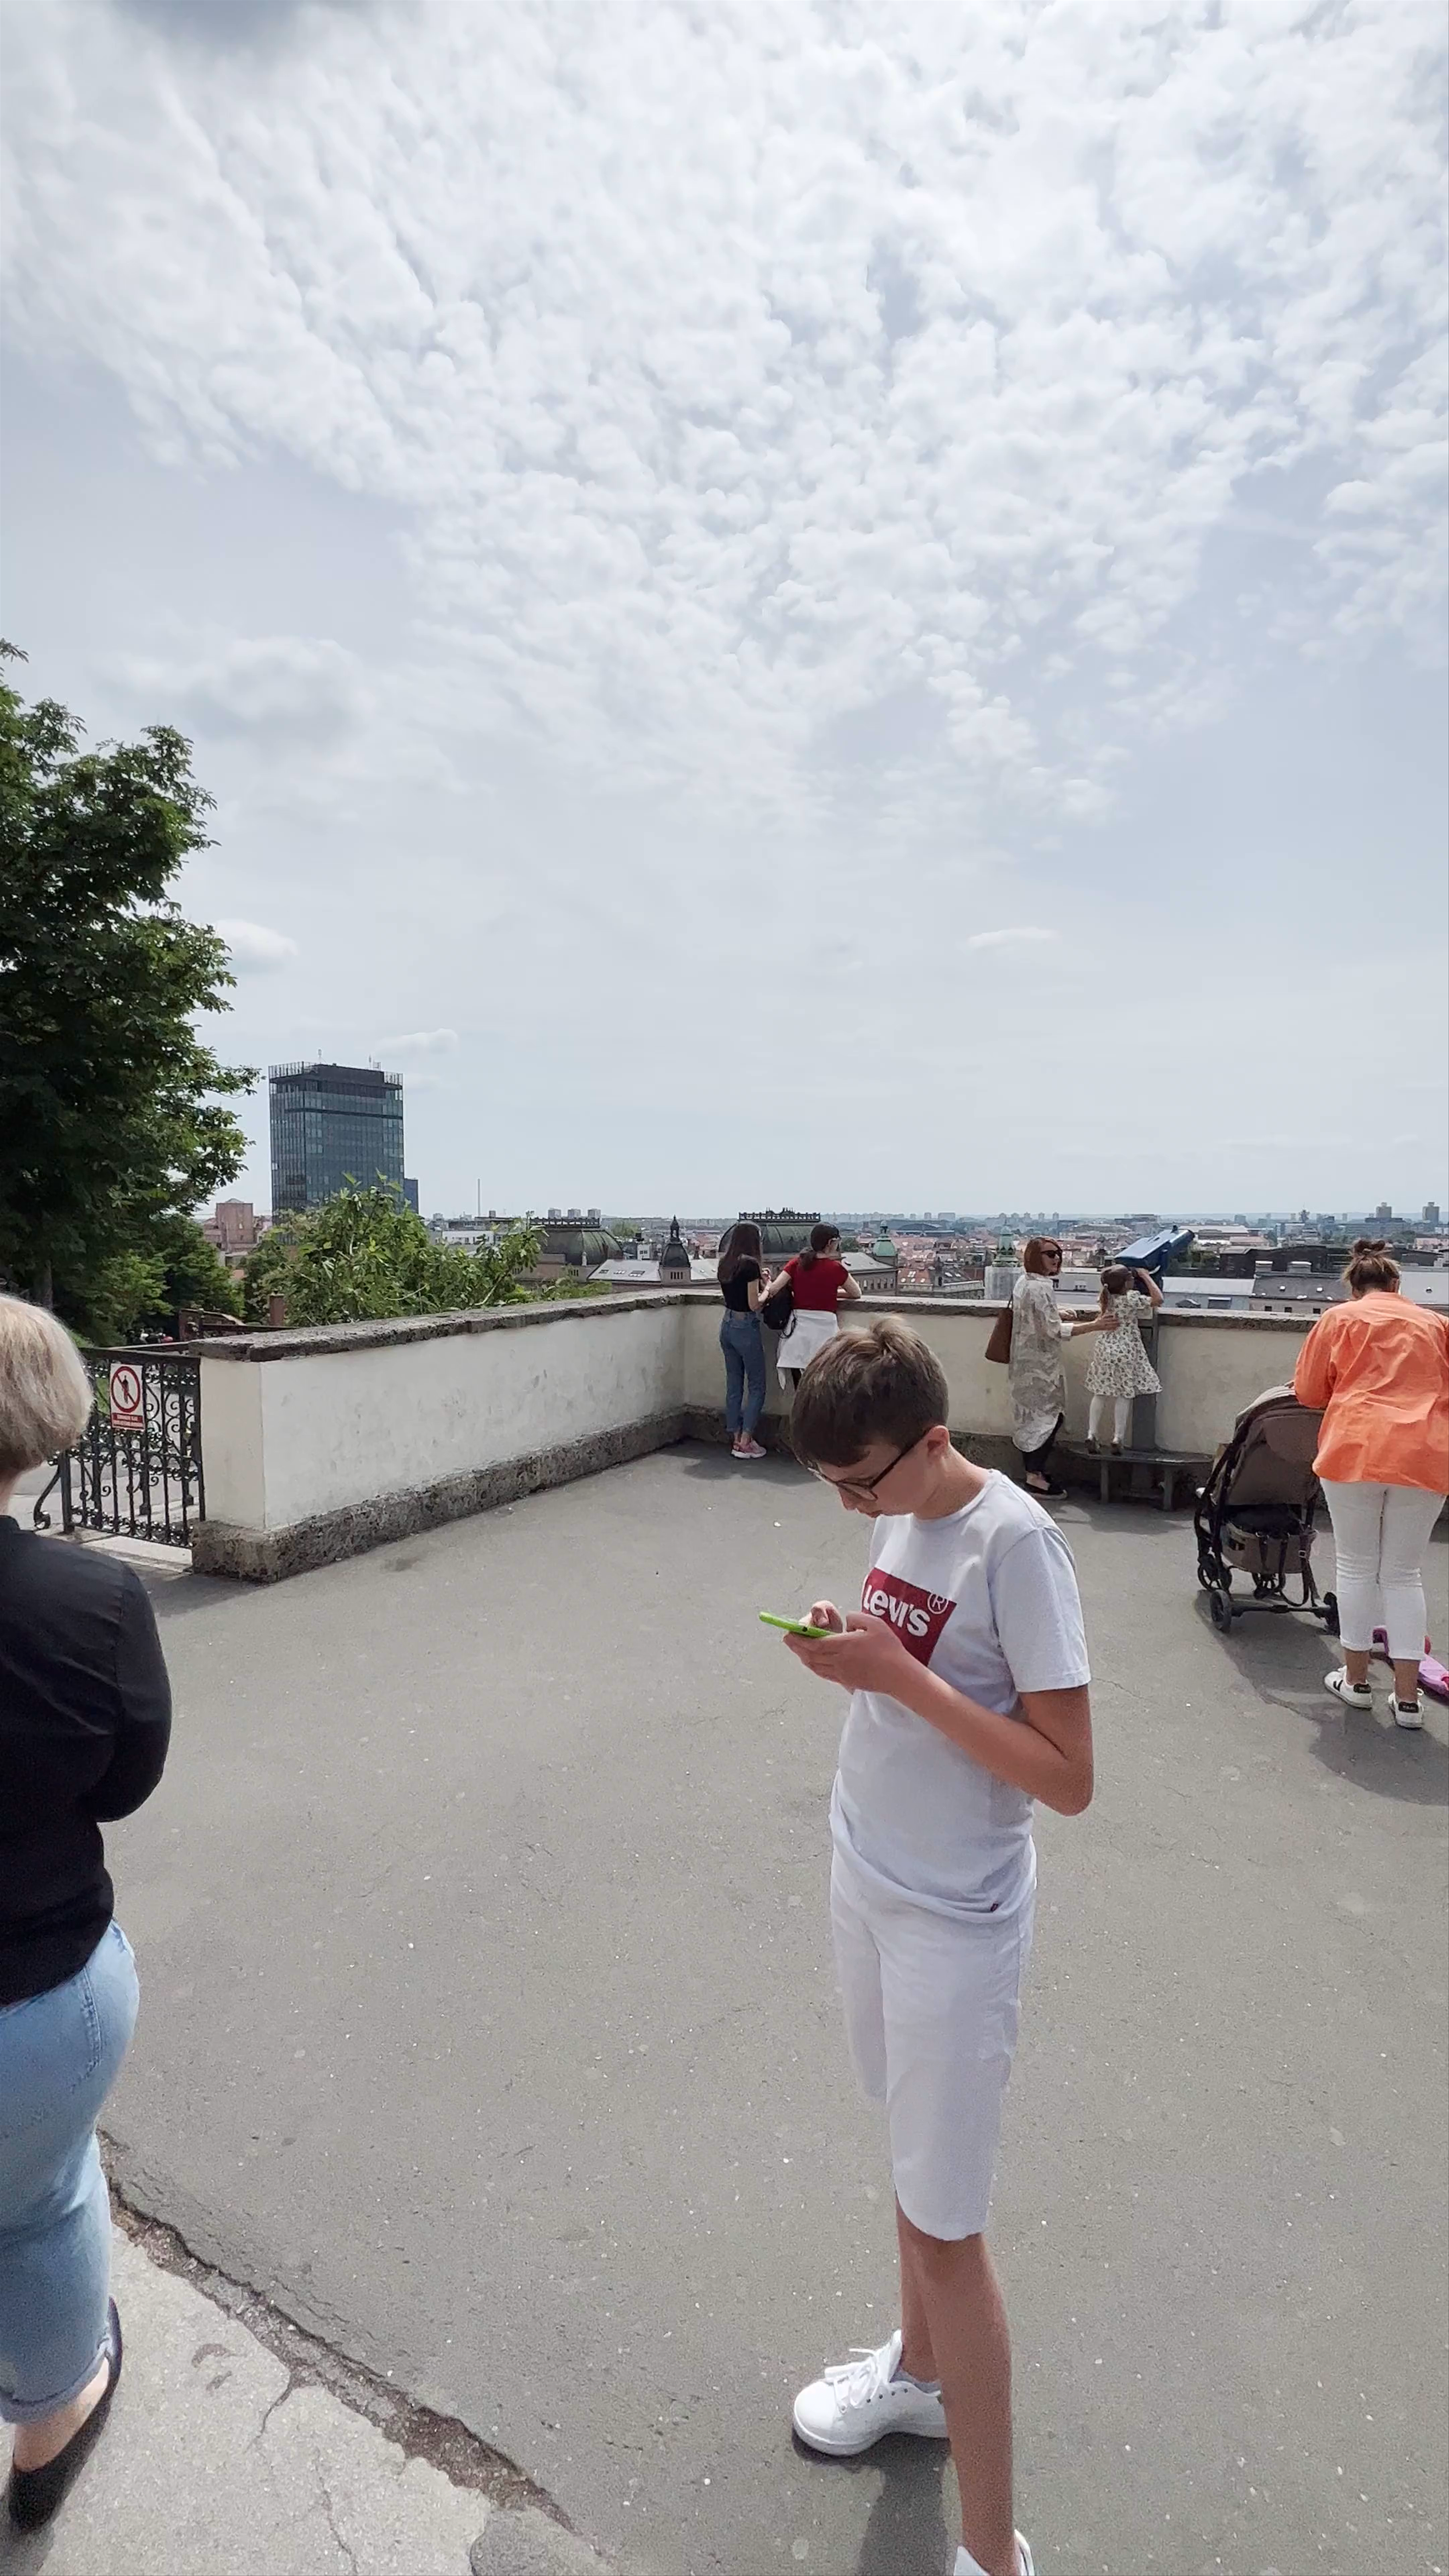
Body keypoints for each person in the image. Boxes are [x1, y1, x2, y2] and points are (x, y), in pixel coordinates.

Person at [777, 1318, 1095, 2576]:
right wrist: (846, 1652)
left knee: (950, 2223)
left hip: (956, 1912)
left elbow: (1069, 1777)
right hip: (870, 1865)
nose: (853, 1505)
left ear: (934, 1439)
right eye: (834, 1488)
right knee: (913, 2170)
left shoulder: (1017, 1541)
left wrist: (894, 1678)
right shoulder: (895, 1511)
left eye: (862, 1481)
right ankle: (914, 2373)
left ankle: (991, 2553)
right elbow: (906, 1652)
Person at [0, 1297, 172, 2531]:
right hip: (34, 1985)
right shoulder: (92, 1601)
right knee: (42, 2193)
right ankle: (48, 2419)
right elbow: (123, 1779)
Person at [1293, 1239, 1449, 1728]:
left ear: (1354, 1286)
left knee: (1357, 1565)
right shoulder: (1437, 1324)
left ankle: (1356, 1681)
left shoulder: (1338, 1320)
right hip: (1425, 1453)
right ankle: (1408, 1701)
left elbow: (1309, 1391)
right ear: (1398, 1285)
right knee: (1404, 1573)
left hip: (1356, 1447)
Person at [1007, 1239, 1117, 1497]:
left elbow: (1037, 1316)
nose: (1056, 1258)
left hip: (1026, 1363)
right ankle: (1035, 1477)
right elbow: (1053, 1331)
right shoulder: (1039, 1288)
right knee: (1049, 1419)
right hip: (1039, 1367)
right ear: (1036, 1257)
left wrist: (1057, 1311)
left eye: (1059, 1254)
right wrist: (1097, 1325)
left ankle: (1034, 1474)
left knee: (1032, 1420)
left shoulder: (1027, 1281)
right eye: (1050, 1254)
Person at [772, 1222, 863, 1393]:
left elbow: (775, 1289)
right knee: (825, 1387)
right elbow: (856, 1293)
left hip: (797, 1334)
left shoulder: (796, 1264)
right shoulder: (836, 1269)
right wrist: (830, 1294)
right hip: (824, 1333)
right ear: (830, 1244)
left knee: (800, 1390)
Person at [1085, 1263, 1163, 1452]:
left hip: (1104, 1347)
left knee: (1100, 1393)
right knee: (1125, 1394)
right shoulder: (1131, 1298)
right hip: (1126, 1349)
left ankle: (1091, 1433)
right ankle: (1118, 1438)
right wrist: (1145, 1275)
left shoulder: (1105, 1298)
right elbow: (1158, 1299)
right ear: (1128, 1284)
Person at [716, 1222, 773, 1460]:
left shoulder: (726, 1263)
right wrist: (769, 1285)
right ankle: (747, 1441)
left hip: (727, 1324)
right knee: (757, 1385)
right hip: (745, 1326)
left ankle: (735, 1436)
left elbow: (735, 1295)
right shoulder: (750, 1264)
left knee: (734, 1384)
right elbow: (754, 1304)